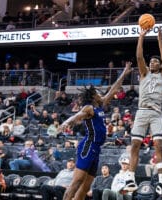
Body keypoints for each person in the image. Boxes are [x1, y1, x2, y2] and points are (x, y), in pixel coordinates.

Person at [61, 64, 132, 200]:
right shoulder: (89, 108)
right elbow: (77, 116)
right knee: (76, 182)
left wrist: (124, 72)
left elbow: (113, 89)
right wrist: (66, 123)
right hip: (88, 145)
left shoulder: (100, 105)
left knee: (86, 187)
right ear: (94, 96)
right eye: (99, 93)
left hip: (96, 148)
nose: (102, 95)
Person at [124, 28, 162, 195]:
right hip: (142, 111)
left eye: (155, 61)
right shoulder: (144, 73)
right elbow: (138, 57)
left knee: (158, 145)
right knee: (135, 144)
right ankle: (130, 177)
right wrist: (141, 37)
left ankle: (161, 180)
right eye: (151, 61)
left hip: (156, 113)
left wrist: (159, 40)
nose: (152, 63)